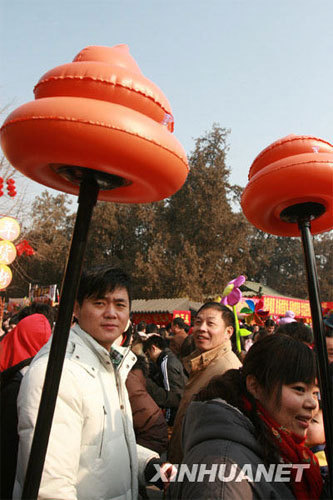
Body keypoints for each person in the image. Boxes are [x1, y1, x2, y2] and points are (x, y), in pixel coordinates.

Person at [13, 266, 171, 500]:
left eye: (120, 305)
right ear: (76, 308)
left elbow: (98, 447)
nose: (111, 313)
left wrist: (147, 465)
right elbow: (50, 489)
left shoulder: (107, 363)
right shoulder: (57, 373)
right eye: (99, 303)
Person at [168, 335, 323, 500]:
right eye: (299, 389)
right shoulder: (223, 475)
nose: (312, 404)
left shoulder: (275, 443)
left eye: (315, 392)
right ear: (255, 387)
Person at [167, 302, 242, 464]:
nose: (201, 328)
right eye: (198, 322)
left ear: (228, 332)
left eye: (211, 323)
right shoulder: (202, 362)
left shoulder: (227, 371)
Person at [143, 334, 188, 426]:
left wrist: (168, 421)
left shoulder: (165, 362)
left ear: (153, 348)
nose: (149, 358)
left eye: (148, 353)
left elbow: (171, 397)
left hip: (176, 415)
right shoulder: (170, 358)